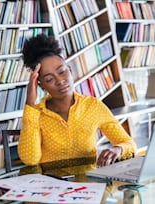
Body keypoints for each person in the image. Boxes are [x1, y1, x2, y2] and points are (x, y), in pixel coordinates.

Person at [18, 34, 137, 167]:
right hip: (52, 184)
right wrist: (30, 103)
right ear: (40, 85)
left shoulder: (93, 106)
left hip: (89, 183)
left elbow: (129, 144)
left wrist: (117, 149)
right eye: (49, 79)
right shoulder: (36, 114)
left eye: (62, 72)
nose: (60, 81)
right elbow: (30, 159)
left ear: (70, 70)